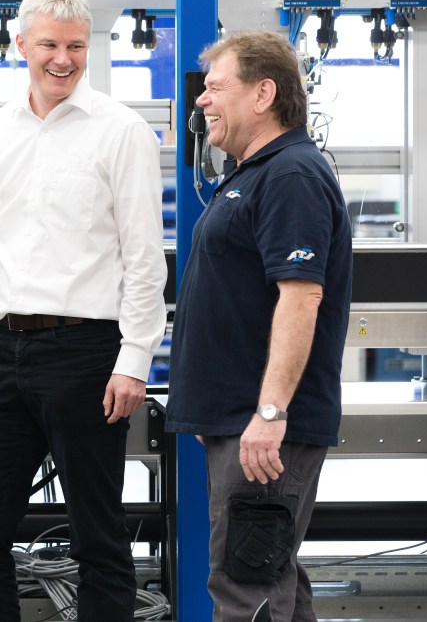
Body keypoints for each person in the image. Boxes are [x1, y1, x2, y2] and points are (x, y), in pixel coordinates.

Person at [0, 0, 168, 622]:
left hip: (87, 354)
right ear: (21, 46)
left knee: (99, 534)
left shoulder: (121, 131)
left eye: (75, 46)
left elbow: (143, 258)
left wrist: (134, 359)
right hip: (2, 352)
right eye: (48, 45)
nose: (62, 59)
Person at [165, 30, 352, 621]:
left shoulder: (290, 175)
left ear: (263, 93)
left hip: (266, 428)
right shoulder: (253, 174)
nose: (202, 101)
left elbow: (301, 297)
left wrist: (268, 414)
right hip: (240, 419)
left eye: (217, 87)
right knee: (273, 585)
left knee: (247, 591)